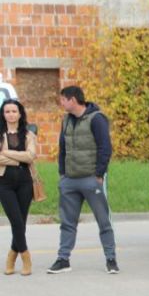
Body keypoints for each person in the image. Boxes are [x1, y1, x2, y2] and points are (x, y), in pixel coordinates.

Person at [47, 86, 119, 274]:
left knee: (104, 221)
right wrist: (62, 174)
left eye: (63, 99)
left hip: (91, 179)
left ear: (72, 100)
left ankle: (111, 259)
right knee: (67, 223)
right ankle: (63, 259)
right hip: (69, 180)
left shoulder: (97, 119)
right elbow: (62, 148)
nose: (61, 103)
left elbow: (105, 148)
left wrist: (99, 174)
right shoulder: (66, 120)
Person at [0, 99, 37, 276]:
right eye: (7, 111)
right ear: (3, 114)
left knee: (21, 222)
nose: (11, 114)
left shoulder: (29, 135)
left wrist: (6, 153)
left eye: (14, 111)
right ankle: (25, 256)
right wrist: (18, 159)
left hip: (25, 182)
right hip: (4, 183)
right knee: (16, 221)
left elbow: (30, 156)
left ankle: (11, 255)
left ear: (20, 114)